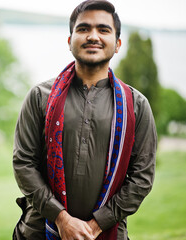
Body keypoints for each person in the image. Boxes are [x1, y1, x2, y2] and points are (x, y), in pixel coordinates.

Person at [12, 0, 157, 239]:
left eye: (103, 29)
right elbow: (24, 163)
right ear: (70, 41)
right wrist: (61, 219)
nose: (93, 36)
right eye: (83, 29)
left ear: (117, 44)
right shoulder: (40, 97)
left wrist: (96, 226)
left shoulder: (136, 105)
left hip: (108, 233)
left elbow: (142, 177)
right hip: (39, 231)